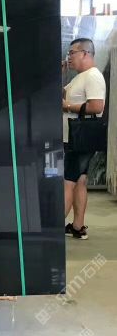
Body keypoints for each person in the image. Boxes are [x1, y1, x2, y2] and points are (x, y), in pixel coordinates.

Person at [62, 38, 106, 240]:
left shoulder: (93, 76)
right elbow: (61, 95)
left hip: (79, 138)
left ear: (85, 53)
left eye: (72, 53)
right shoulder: (79, 77)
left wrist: (67, 107)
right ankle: (77, 227)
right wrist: (61, 73)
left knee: (68, 182)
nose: (69, 57)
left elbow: (97, 106)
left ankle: (54, 229)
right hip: (76, 137)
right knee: (80, 180)